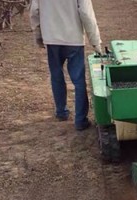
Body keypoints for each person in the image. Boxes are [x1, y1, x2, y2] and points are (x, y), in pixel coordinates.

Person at [30, 0, 102, 131]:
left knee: (56, 76)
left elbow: (35, 11)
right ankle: (80, 120)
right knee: (79, 80)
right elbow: (86, 14)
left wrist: (38, 36)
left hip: (52, 38)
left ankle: (61, 112)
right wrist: (96, 43)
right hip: (74, 39)